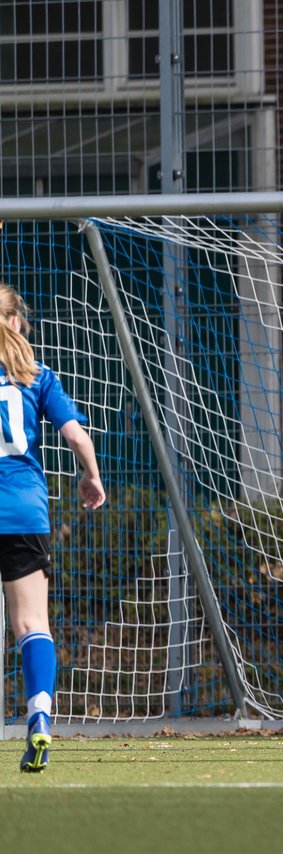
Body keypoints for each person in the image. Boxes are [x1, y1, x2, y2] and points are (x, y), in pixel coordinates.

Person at [0, 284, 106, 772]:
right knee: (30, 626)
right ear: (18, 322)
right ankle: (39, 715)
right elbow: (75, 435)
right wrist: (92, 475)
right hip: (23, 512)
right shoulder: (38, 377)